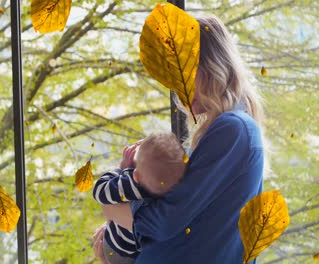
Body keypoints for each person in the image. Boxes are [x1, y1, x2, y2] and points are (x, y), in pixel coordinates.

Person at [93, 14, 264, 264]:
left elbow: (165, 221)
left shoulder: (233, 129)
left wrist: (113, 209)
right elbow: (190, 230)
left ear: (210, 65)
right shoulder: (231, 131)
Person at [92, 132, 186, 264]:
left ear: (136, 175)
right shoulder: (172, 192)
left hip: (115, 250)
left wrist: (123, 169)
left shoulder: (132, 184)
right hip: (138, 253)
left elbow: (99, 191)